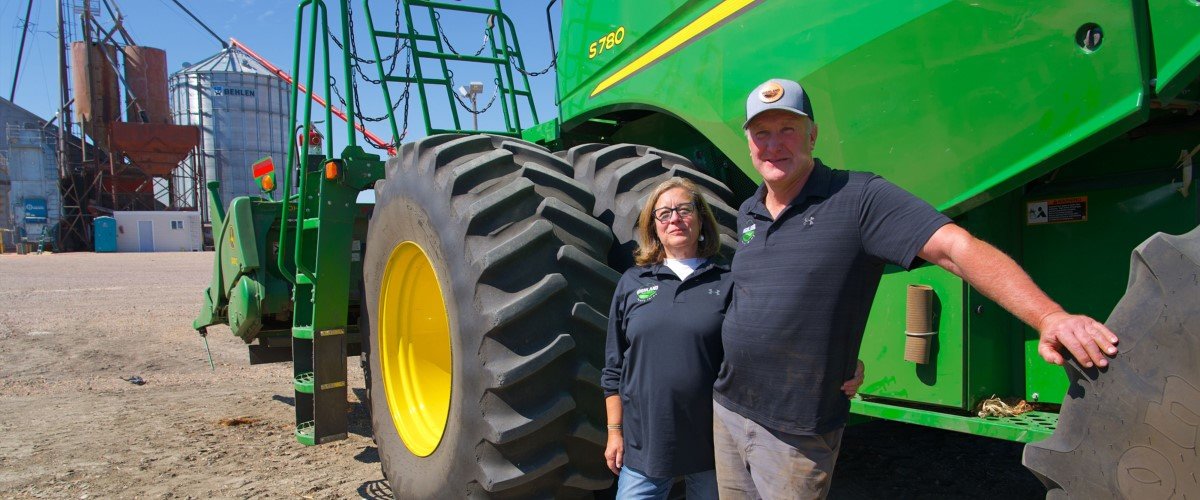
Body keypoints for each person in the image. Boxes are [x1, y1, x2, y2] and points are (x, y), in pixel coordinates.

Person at [712, 78, 1121, 499]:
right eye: (761, 132)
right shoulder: (750, 210)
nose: (773, 144)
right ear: (748, 142)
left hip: (795, 431)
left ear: (813, 135)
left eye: (787, 130)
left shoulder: (859, 197)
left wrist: (1048, 315)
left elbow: (956, 249)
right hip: (729, 409)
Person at [601, 177, 868, 499]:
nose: (675, 218)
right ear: (653, 226)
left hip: (715, 440)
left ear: (701, 220)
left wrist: (842, 362)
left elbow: (772, 339)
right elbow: (613, 368)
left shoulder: (728, 281)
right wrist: (614, 431)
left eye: (684, 210)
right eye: (664, 213)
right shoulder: (632, 282)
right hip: (646, 438)